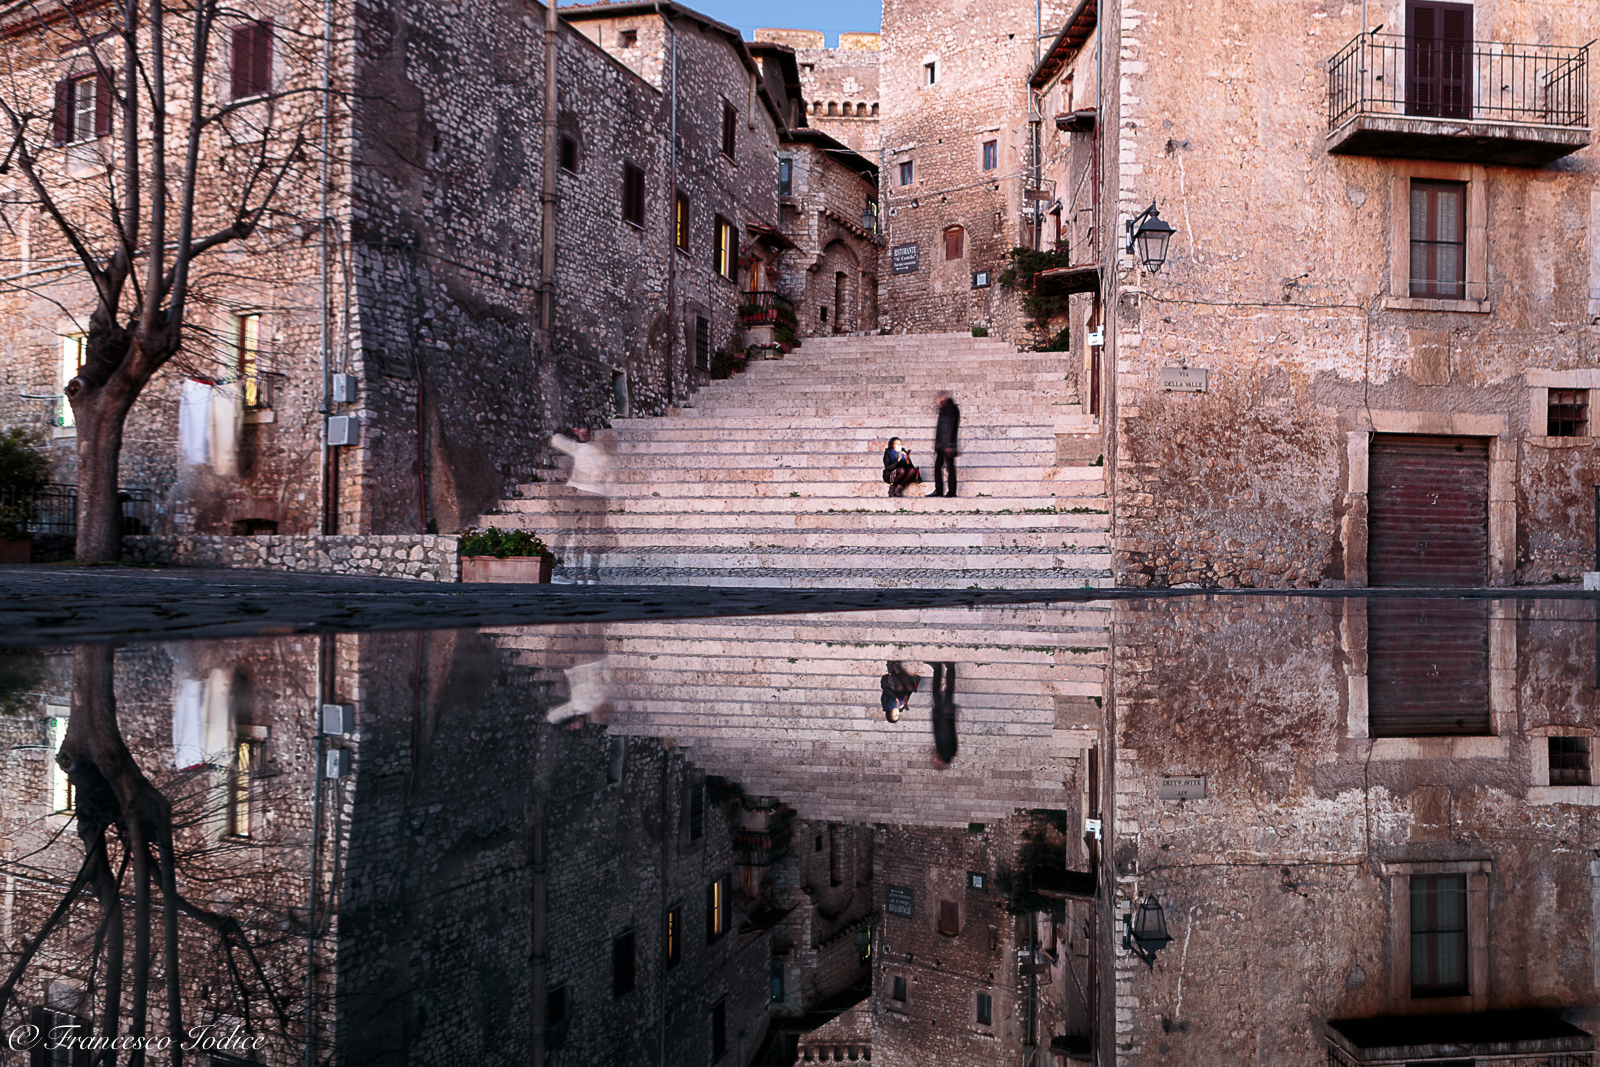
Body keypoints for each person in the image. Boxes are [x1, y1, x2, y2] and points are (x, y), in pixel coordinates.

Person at [930, 392, 960, 498]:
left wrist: (948, 443)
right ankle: (939, 490)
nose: (938, 400)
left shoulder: (950, 408)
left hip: (947, 444)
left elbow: (950, 426)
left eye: (939, 398)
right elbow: (942, 427)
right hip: (943, 444)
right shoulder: (945, 408)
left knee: (949, 467)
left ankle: (951, 491)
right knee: (939, 466)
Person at [929, 660, 958, 766]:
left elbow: (937, 733)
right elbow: (949, 732)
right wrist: (948, 715)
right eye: (936, 762)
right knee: (948, 691)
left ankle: (937, 668)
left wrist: (935, 718)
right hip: (945, 716)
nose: (935, 759)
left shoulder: (941, 751)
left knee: (937, 693)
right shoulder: (949, 751)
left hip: (941, 717)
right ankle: (950, 668)